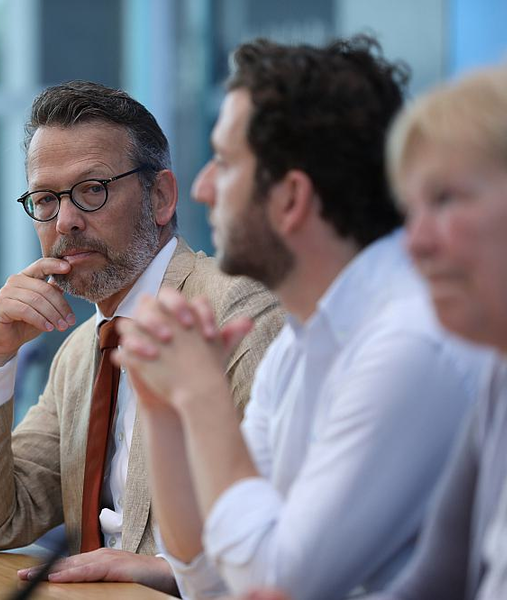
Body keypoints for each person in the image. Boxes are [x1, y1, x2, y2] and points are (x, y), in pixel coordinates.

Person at [114, 37, 491, 599]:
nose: (201, 188)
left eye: (224, 161)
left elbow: (278, 583)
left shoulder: (409, 342)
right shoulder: (301, 342)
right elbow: (208, 578)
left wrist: (200, 394)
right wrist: (163, 407)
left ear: (290, 199)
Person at [0, 80, 283, 594]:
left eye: (92, 190)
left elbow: (288, 536)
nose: (67, 221)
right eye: (46, 199)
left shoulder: (237, 312)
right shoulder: (82, 350)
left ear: (161, 197)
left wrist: (170, 573)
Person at [364, 63, 507, 600]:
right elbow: (435, 582)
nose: (414, 242)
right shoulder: (501, 372)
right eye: (410, 210)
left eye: (445, 200)